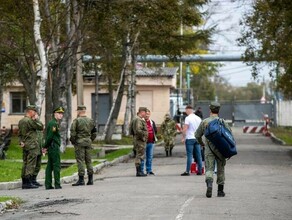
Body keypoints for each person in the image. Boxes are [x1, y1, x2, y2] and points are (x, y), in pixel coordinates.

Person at [195, 101, 231, 198]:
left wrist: (202, 143)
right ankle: (220, 191)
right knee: (221, 169)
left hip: (208, 150)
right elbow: (229, 135)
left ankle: (209, 185)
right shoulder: (223, 122)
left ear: (210, 109)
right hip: (221, 150)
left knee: (209, 168)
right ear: (219, 110)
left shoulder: (205, 122)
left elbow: (197, 135)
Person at [70, 105, 97, 186]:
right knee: (88, 160)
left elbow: (73, 133)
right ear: (85, 111)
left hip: (79, 142)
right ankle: (90, 179)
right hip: (88, 142)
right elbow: (94, 132)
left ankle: (81, 180)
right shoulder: (91, 121)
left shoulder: (76, 121)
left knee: (80, 160)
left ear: (78, 111)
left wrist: (73, 141)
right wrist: (90, 140)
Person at [18, 105, 44, 189]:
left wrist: (21, 141)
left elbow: (20, 134)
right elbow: (40, 127)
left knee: (25, 162)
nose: (36, 113)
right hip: (32, 145)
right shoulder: (29, 121)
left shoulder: (21, 121)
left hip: (26, 144)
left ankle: (25, 181)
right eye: (35, 111)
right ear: (30, 111)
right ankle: (28, 182)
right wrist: (37, 119)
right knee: (31, 163)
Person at [43, 106, 65, 190]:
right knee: (56, 165)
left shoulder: (54, 122)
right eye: (59, 113)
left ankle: (48, 184)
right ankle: (57, 184)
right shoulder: (53, 123)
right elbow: (50, 136)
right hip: (53, 146)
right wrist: (45, 146)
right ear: (55, 114)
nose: (61, 115)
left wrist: (46, 146)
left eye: (62, 113)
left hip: (52, 146)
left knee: (49, 166)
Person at [181, 105, 203, 176]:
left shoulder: (188, 118)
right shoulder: (198, 118)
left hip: (190, 138)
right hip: (197, 138)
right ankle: (199, 171)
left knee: (189, 155)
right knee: (199, 155)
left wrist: (183, 137)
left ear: (188, 110)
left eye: (186, 110)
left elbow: (185, 129)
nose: (185, 112)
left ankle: (187, 171)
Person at [131, 107, 148, 177]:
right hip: (139, 140)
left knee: (139, 155)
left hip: (138, 140)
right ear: (142, 112)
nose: (146, 114)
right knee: (139, 156)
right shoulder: (138, 120)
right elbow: (138, 130)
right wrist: (143, 137)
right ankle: (139, 172)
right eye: (145, 112)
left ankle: (139, 171)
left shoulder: (136, 119)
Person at [140, 109, 157, 175]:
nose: (147, 115)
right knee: (142, 157)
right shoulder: (141, 121)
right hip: (143, 142)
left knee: (149, 157)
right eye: (146, 113)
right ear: (143, 114)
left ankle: (149, 170)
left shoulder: (152, 122)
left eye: (148, 114)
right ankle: (141, 170)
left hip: (151, 142)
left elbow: (155, 130)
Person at [32, 113, 45, 187]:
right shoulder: (31, 123)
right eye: (35, 114)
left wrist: (43, 147)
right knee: (32, 165)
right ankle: (30, 180)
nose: (36, 116)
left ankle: (34, 179)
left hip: (39, 147)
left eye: (36, 114)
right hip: (34, 147)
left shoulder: (38, 123)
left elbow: (41, 127)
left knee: (38, 165)